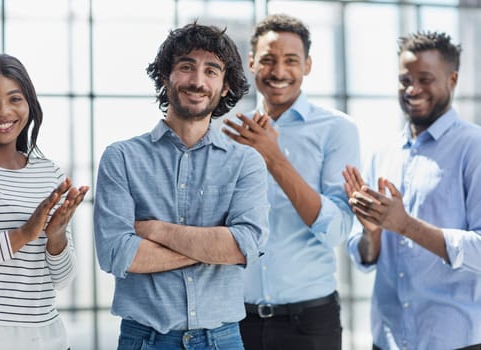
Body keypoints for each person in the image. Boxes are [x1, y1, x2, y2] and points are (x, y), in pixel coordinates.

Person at [93, 22, 269, 350]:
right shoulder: (121, 158)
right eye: (186, 66)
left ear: (226, 85)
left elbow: (246, 245)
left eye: (211, 70)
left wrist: (155, 231)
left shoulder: (246, 163)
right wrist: (215, 250)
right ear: (165, 76)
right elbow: (117, 254)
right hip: (144, 340)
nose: (197, 81)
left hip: (222, 341)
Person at [222, 13, 360, 350]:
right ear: (251, 62)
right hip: (234, 320)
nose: (279, 72)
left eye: (291, 61)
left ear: (307, 65)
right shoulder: (225, 130)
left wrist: (273, 157)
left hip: (310, 324)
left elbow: (337, 230)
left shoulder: (337, 129)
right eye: (268, 60)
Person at [344, 31, 481, 349]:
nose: (412, 89)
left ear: (453, 79)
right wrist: (372, 233)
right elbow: (365, 256)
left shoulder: (474, 148)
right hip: (388, 338)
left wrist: (404, 225)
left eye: (425, 78)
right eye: (405, 79)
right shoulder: (384, 152)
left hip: (454, 340)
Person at [0, 54, 89, 350]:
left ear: (29, 103)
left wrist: (56, 239)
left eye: (15, 98)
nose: (4, 111)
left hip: (49, 339)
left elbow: (62, 279)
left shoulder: (49, 172)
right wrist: (23, 235)